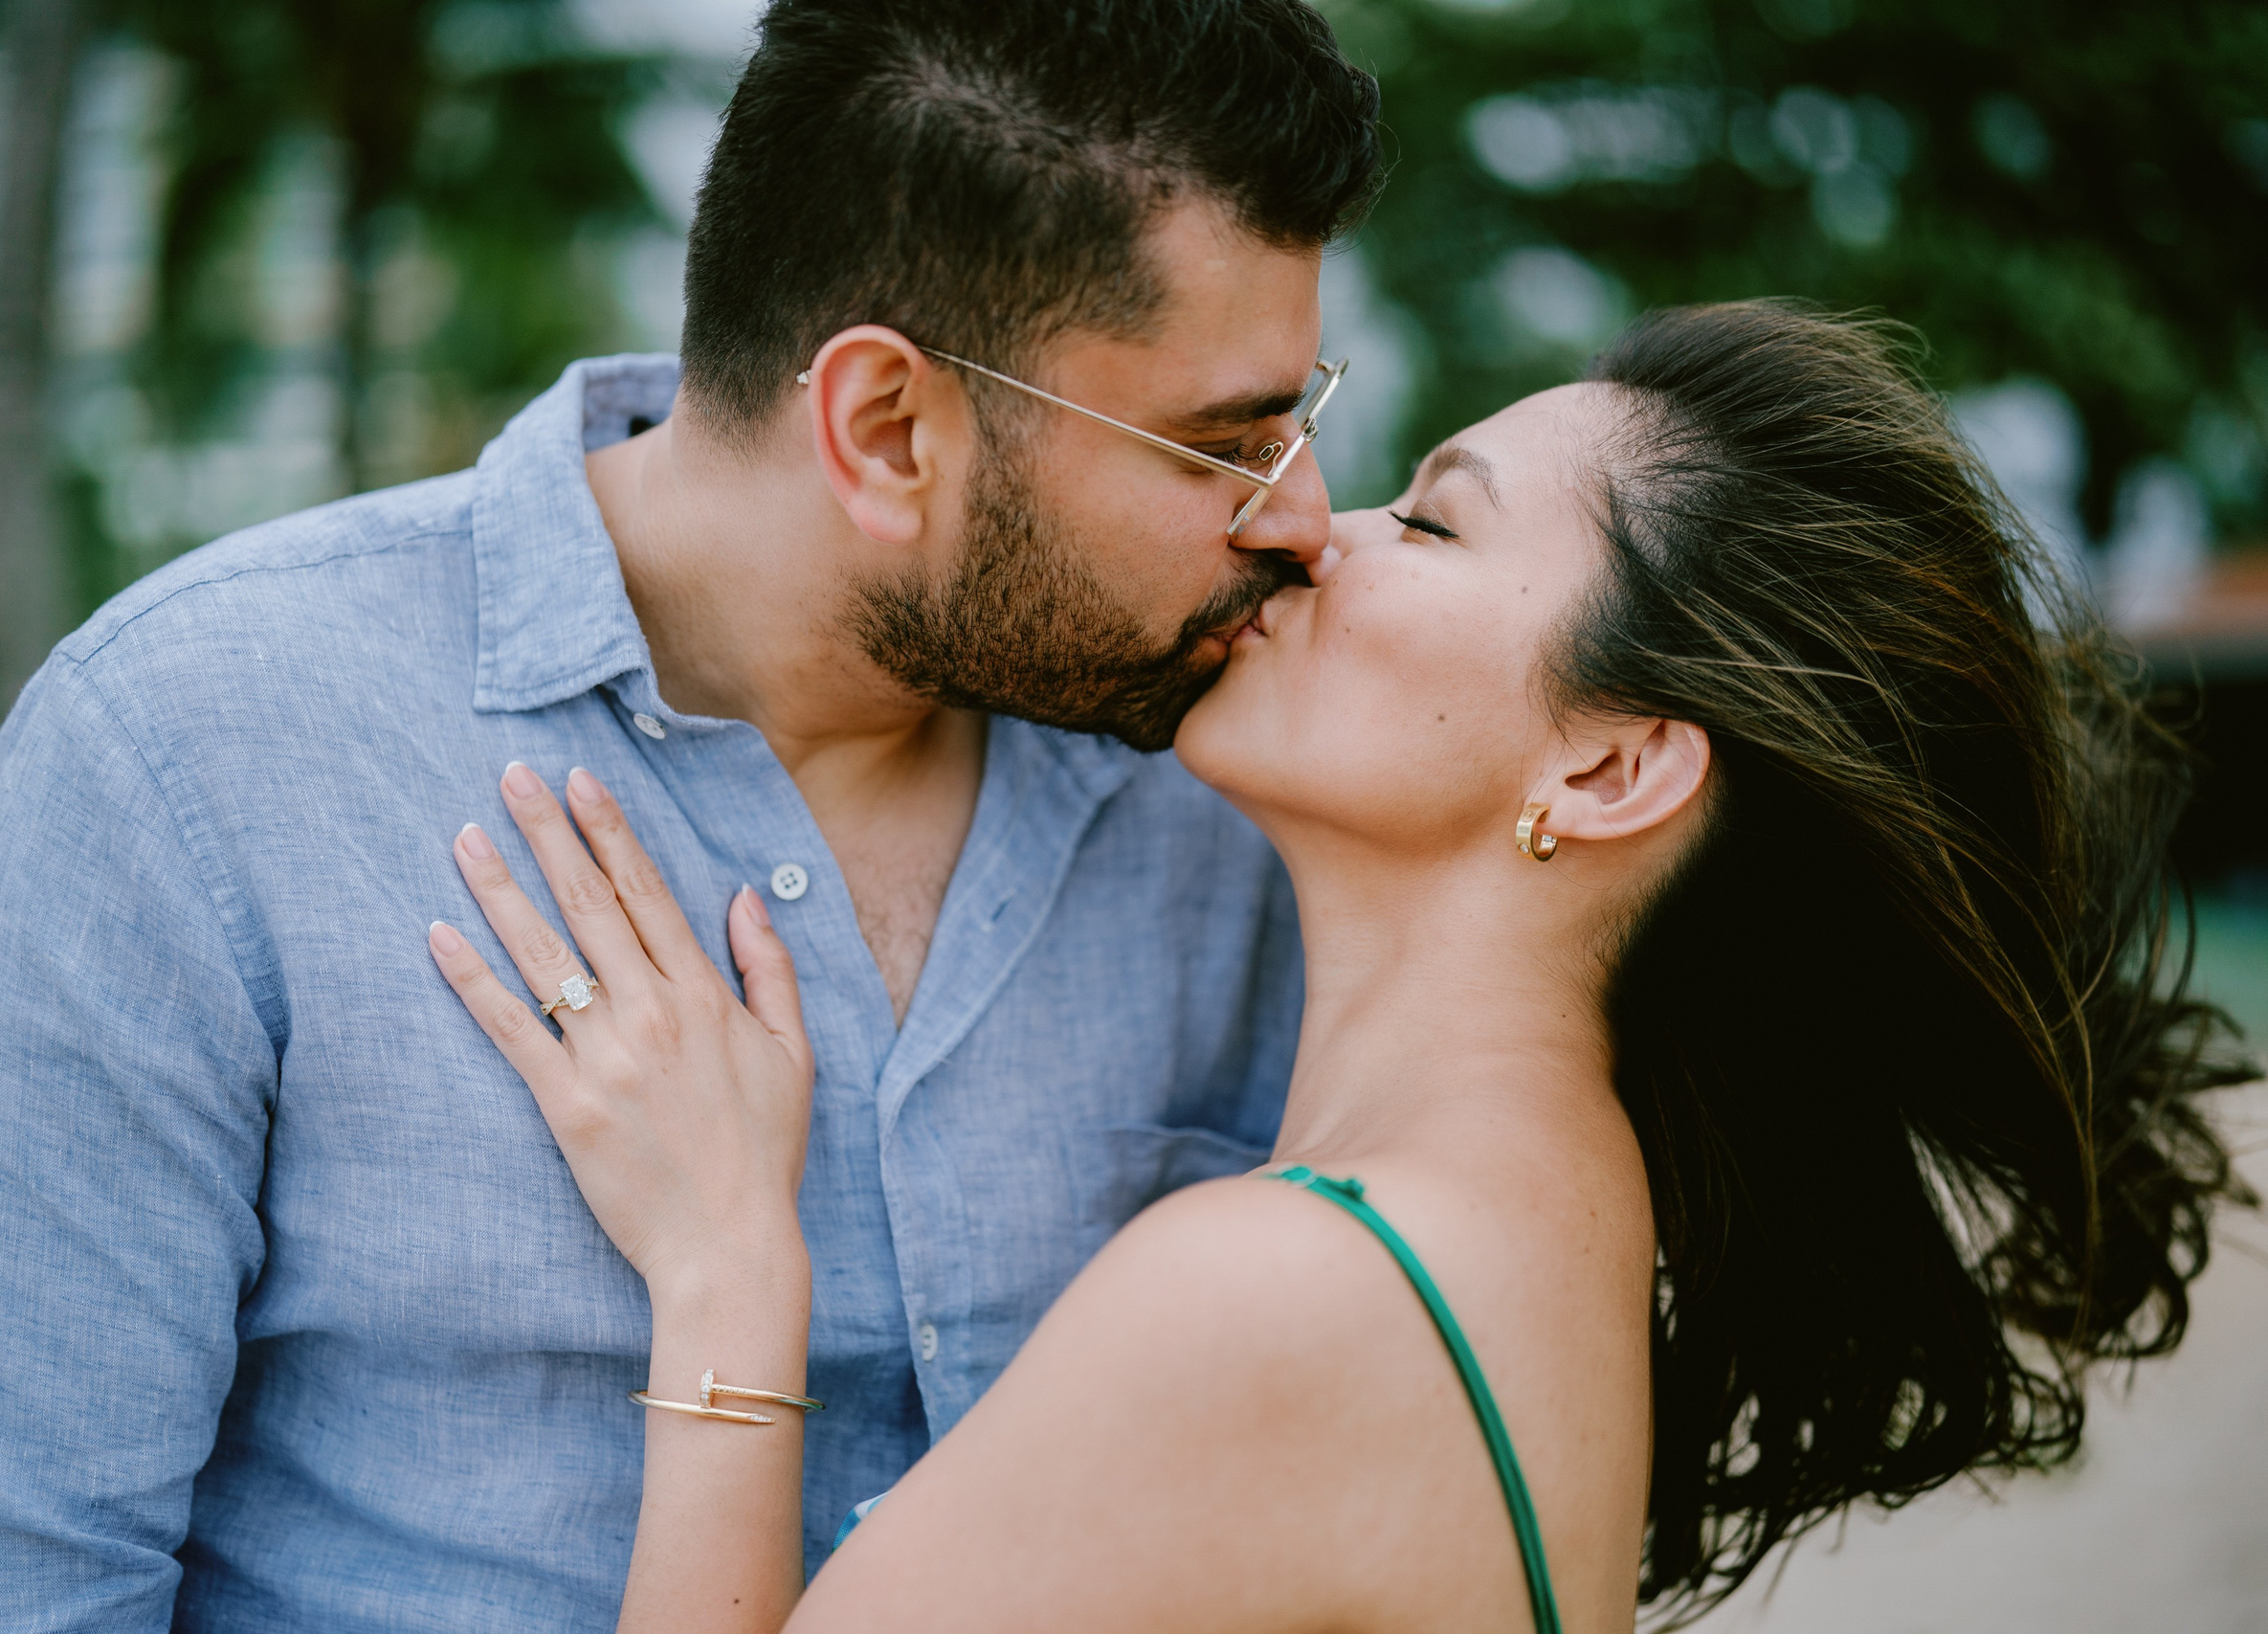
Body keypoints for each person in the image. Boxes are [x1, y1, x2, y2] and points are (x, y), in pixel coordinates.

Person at [0, 3, 1383, 1626]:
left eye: (1304, 418)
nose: (1304, 517)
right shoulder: (186, 756)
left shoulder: (1239, 797)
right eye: (1224, 446)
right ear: (886, 428)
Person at [431, 302, 2256, 1632]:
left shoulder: (1283, 1297)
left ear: (1610, 769)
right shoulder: (1571, 1233)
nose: (1308, 526)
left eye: (1435, 520)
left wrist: (732, 1273)